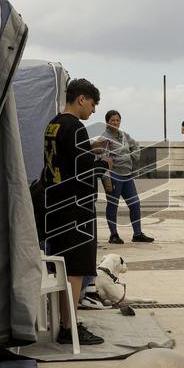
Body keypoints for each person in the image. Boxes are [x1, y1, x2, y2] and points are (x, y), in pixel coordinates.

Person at [42, 78, 109, 345]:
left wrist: (88, 151)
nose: (92, 111)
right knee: (75, 269)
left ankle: (63, 322)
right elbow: (83, 171)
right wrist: (102, 163)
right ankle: (70, 327)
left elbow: (64, 158)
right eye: (92, 104)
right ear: (81, 99)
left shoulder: (54, 124)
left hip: (55, 204)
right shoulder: (76, 127)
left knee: (60, 266)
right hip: (75, 209)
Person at [101, 110, 155, 245]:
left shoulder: (124, 135)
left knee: (135, 204)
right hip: (113, 176)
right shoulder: (104, 138)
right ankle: (113, 235)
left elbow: (135, 145)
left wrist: (133, 156)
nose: (115, 122)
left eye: (117, 120)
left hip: (127, 176)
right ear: (107, 122)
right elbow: (101, 159)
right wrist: (106, 179)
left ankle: (137, 234)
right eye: (112, 120)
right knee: (113, 205)